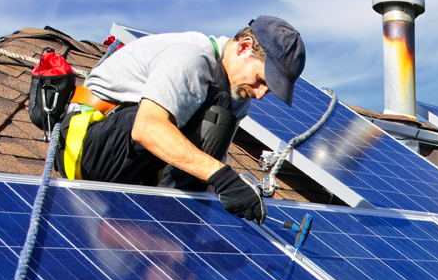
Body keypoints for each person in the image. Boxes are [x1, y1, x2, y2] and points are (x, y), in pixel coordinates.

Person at [54, 16, 307, 223]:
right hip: (88, 150)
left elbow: (210, 168)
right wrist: (224, 178)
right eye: (260, 80)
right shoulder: (192, 56)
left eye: (269, 90)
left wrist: (224, 219)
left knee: (221, 112)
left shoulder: (238, 95)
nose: (260, 94)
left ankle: (174, 226)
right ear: (243, 47)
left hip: (134, 165)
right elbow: (147, 127)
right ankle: (166, 221)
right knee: (217, 108)